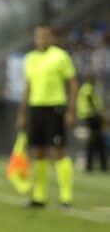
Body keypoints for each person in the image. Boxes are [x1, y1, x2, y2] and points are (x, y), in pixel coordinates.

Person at [16, 24, 78, 208]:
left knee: (58, 151)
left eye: (46, 35)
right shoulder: (30, 59)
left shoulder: (60, 56)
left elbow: (73, 84)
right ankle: (39, 196)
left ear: (52, 37)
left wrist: (71, 110)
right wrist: (22, 113)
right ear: (35, 37)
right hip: (35, 108)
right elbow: (27, 87)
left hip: (55, 108)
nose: (42, 38)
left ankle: (66, 197)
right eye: (39, 35)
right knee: (38, 152)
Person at [77, 72, 106, 172]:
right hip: (92, 117)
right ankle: (98, 165)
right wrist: (100, 114)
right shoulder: (88, 88)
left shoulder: (86, 88)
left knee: (96, 140)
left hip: (90, 117)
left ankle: (98, 164)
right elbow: (91, 100)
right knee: (95, 140)